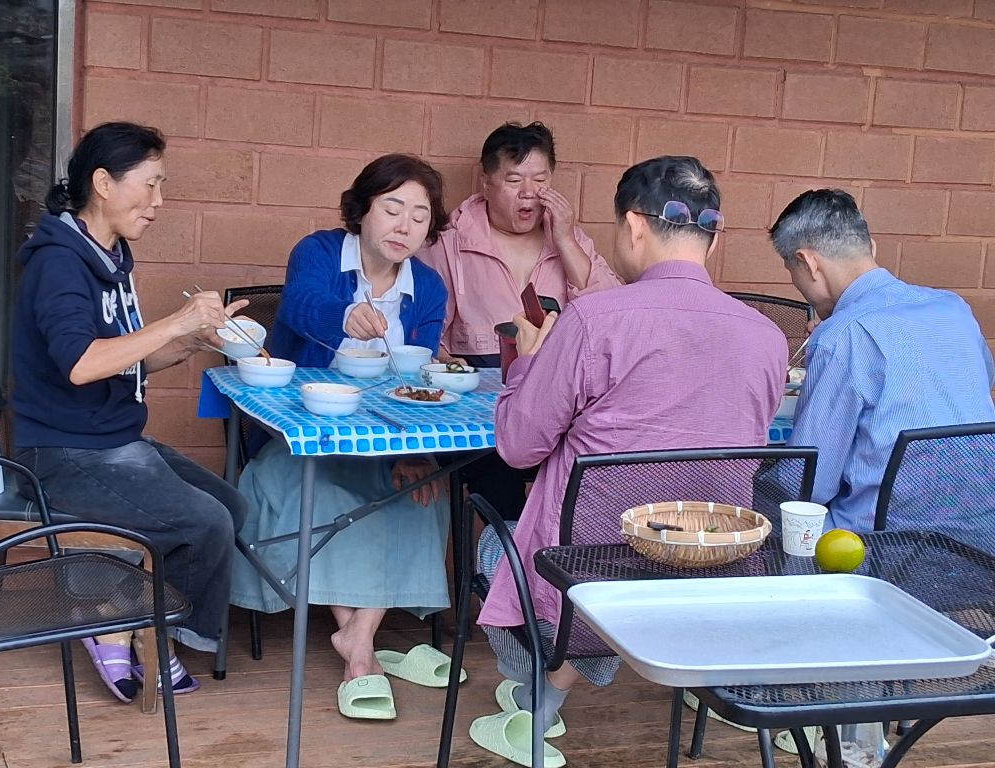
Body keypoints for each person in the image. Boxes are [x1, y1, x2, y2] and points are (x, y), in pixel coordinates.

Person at [469, 156, 788, 766]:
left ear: (635, 226)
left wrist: (530, 361)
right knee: (629, 545)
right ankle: (545, 696)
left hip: (583, 579)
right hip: (704, 575)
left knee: (493, 545)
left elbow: (518, 446)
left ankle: (539, 696)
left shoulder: (594, 319)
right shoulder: (767, 337)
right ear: (713, 236)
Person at [10, 122, 249, 704]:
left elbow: (125, 358)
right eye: (150, 184)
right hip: (62, 449)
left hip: (111, 438)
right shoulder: (59, 263)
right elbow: (82, 364)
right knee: (205, 524)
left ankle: (116, 613)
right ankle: (145, 631)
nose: (158, 201)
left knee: (232, 506)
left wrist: (192, 342)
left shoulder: (109, 254)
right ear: (102, 183)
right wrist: (175, 321)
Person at [228, 154, 457, 721]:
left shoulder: (428, 287)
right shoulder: (319, 251)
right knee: (326, 493)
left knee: (421, 491)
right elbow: (301, 305)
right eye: (392, 208)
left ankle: (358, 637)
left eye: (420, 217)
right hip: (302, 435)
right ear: (363, 209)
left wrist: (419, 451)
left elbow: (419, 376)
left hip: (388, 438)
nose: (404, 226)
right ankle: (360, 653)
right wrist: (346, 316)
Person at [418, 121, 620, 520]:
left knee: (594, 455)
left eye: (540, 180)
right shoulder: (450, 241)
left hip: (562, 395)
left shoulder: (571, 239)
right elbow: (425, 329)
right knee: (496, 466)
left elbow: (612, 316)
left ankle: (566, 545)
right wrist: (446, 363)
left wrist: (565, 240)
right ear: (486, 182)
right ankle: (515, 547)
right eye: (514, 180)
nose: (529, 192)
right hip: (482, 403)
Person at [770, 189, 995, 533]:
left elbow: (808, 484)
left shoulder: (842, 335)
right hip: (980, 530)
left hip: (880, 539)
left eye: (792, 271)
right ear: (871, 249)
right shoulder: (954, 308)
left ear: (808, 263)